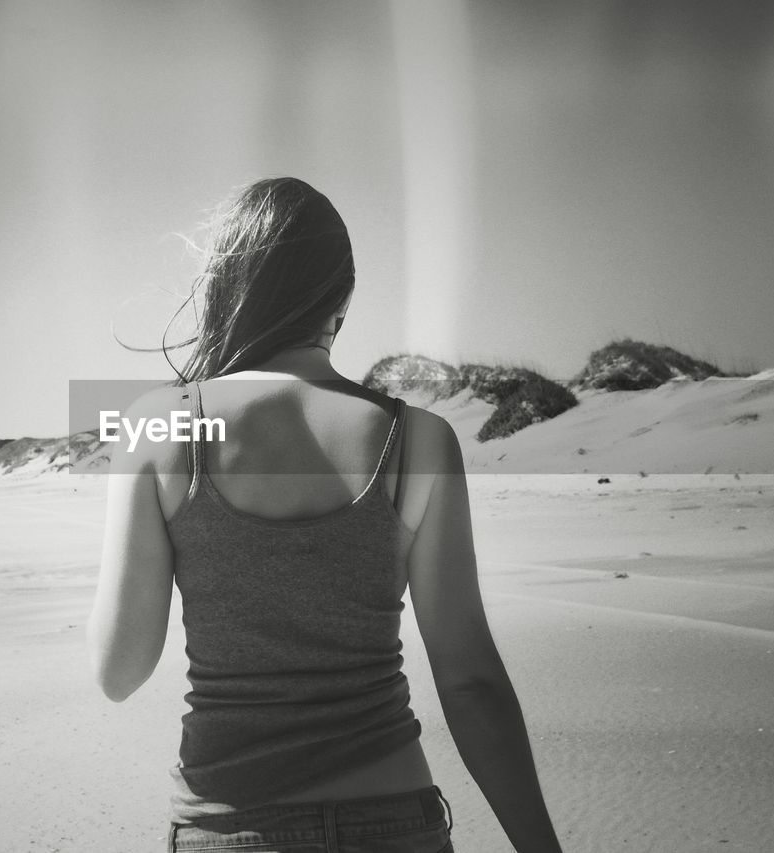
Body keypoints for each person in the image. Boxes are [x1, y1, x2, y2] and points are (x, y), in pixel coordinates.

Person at [87, 177, 563, 852]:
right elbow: (471, 679)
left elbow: (118, 671)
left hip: (228, 823)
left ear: (226, 291)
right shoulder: (421, 439)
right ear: (340, 301)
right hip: (395, 821)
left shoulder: (157, 428)